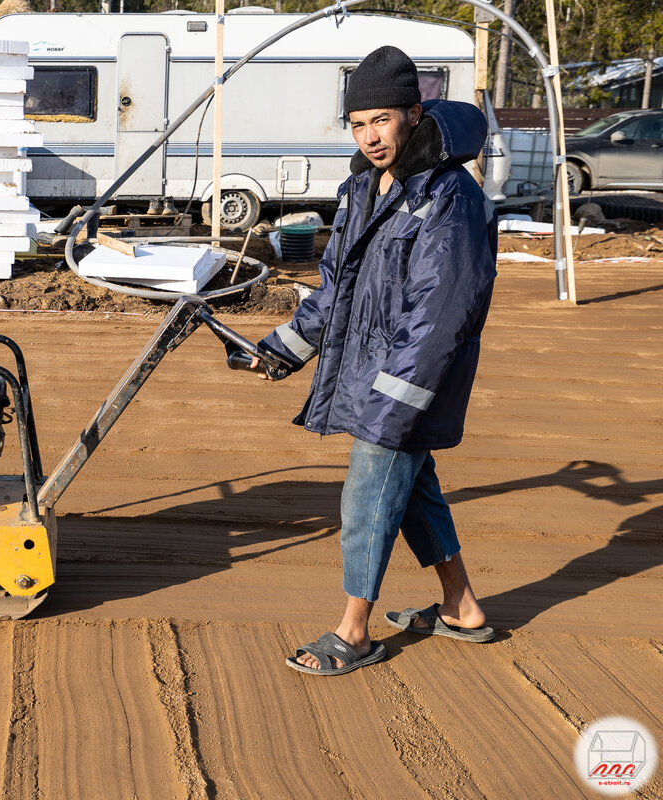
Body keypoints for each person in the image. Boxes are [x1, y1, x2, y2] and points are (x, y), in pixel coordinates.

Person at [251, 45, 499, 675]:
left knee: (369, 491)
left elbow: (439, 317)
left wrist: (396, 401)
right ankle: (462, 606)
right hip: (374, 371)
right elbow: (339, 287)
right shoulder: (363, 186)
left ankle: (354, 630)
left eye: (381, 120)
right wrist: (284, 346)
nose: (370, 137)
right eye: (358, 124)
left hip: (412, 377)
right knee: (411, 488)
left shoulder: (448, 196)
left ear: (414, 114)